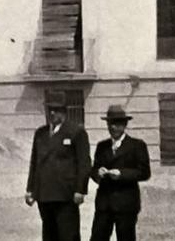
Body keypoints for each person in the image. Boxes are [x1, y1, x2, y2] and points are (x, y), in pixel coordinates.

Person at [26, 91, 91, 241]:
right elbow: (35, 162)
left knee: (68, 235)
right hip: (44, 194)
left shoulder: (76, 132)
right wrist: (30, 189)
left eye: (56, 110)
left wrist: (80, 189)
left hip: (65, 195)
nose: (52, 113)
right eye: (50, 109)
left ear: (64, 111)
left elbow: (84, 163)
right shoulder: (40, 133)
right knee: (49, 235)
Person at [89, 104, 151, 241]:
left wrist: (122, 174)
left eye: (117, 124)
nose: (113, 127)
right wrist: (98, 173)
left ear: (124, 125)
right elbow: (94, 170)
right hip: (104, 203)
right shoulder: (102, 146)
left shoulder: (137, 145)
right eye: (110, 124)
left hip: (126, 203)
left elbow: (144, 172)